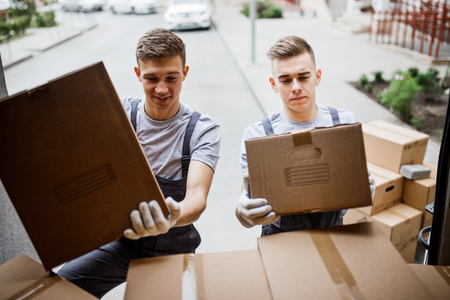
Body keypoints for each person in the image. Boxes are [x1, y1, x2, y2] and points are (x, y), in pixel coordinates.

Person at [58, 28, 221, 298]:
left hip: (175, 246)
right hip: (123, 243)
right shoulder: (119, 114)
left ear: (185, 72)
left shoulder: (201, 129)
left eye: (172, 77)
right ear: (137, 75)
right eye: (151, 78)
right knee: (62, 287)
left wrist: (169, 218)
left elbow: (196, 198)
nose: (161, 88)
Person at [235, 35, 375, 236]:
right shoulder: (257, 135)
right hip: (280, 240)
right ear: (273, 84)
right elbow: (245, 207)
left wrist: (364, 191)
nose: (296, 87)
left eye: (303, 77)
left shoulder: (343, 124)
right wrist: (244, 213)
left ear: (317, 76)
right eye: (285, 80)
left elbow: (354, 186)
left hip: (335, 234)